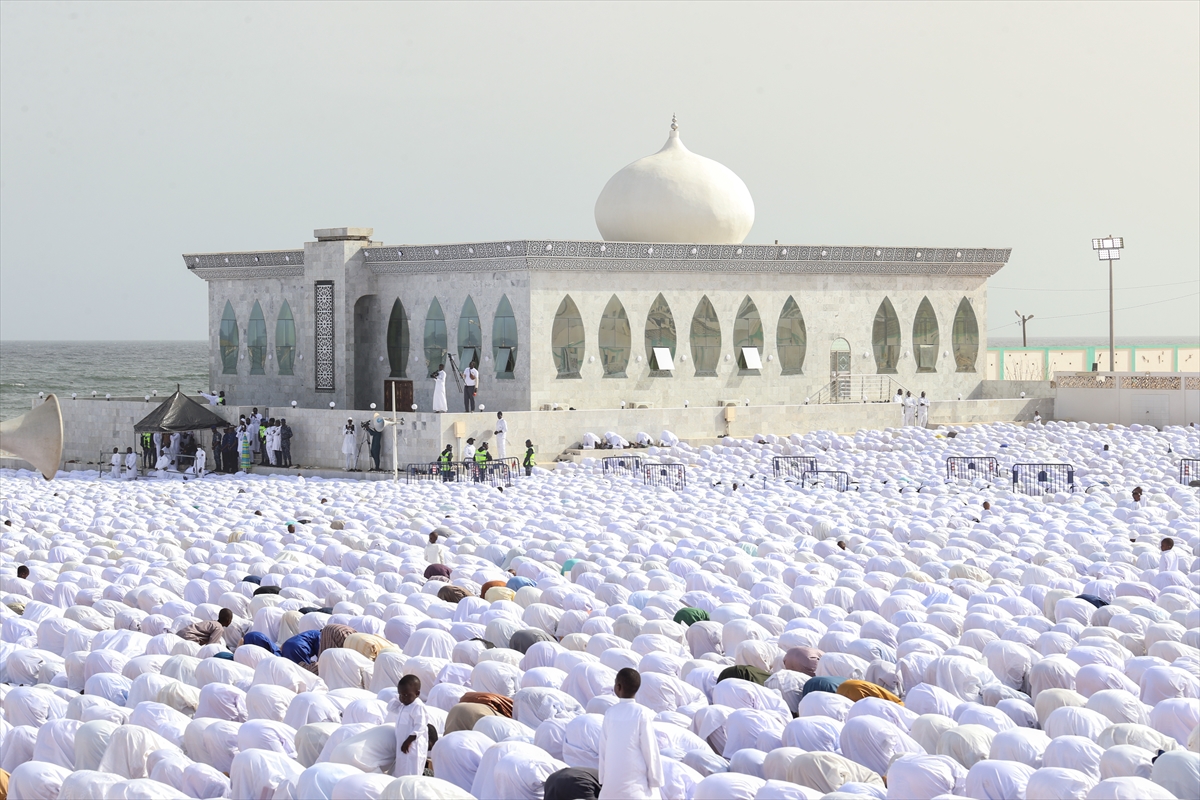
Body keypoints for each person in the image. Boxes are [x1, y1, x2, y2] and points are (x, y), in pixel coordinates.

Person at [598, 668, 663, 799]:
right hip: (636, 787)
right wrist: (654, 779)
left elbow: (604, 748)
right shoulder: (642, 713)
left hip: (611, 788)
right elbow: (650, 749)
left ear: (618, 687)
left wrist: (603, 779)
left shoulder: (610, 713)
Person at [394, 674, 429, 778]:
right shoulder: (404, 705)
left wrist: (408, 741)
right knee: (401, 771)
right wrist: (399, 697)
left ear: (417, 694)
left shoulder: (418, 706)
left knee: (412, 773)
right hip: (403, 745)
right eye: (400, 694)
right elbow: (391, 707)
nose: (403, 698)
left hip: (413, 746)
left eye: (406, 695)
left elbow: (420, 726)